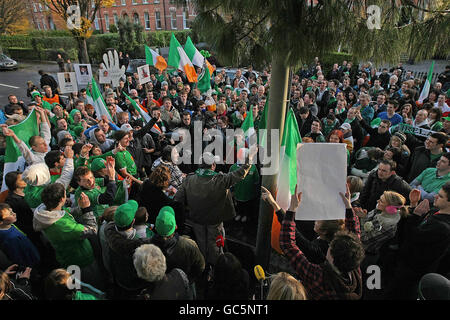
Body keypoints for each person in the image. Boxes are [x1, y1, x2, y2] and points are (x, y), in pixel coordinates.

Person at [279, 186, 365, 300]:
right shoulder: (354, 268)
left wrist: (291, 210)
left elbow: (288, 245)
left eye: (331, 247)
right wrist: (348, 207)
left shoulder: (318, 276)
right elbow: (355, 234)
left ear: (332, 258)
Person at [174, 149, 257, 266]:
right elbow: (241, 173)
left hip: (197, 219)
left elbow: (178, 198)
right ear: (213, 165)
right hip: (215, 221)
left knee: (201, 243)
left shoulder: (189, 179)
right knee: (215, 246)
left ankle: (202, 266)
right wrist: (249, 159)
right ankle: (216, 268)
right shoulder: (221, 180)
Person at [386, 183, 450, 299]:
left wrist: (415, 215)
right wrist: (413, 205)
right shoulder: (435, 211)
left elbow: (412, 236)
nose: (435, 196)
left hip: (410, 273)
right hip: (402, 265)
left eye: (440, 196)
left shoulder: (442, 228)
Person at [102, 200, 152, 298]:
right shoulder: (138, 242)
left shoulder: (108, 231)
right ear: (133, 221)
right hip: (134, 283)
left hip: (118, 275)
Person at [150, 206, 205, 291]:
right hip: (183, 287)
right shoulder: (189, 245)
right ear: (175, 227)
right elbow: (200, 266)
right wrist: (189, 280)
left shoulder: (146, 246)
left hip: (157, 288)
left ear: (156, 227)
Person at [0, 203, 40, 268]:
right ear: (1, 222)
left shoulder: (10, 225)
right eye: (10, 214)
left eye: (12, 211)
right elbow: (18, 257)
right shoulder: (11, 239)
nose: (14, 214)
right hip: (29, 263)